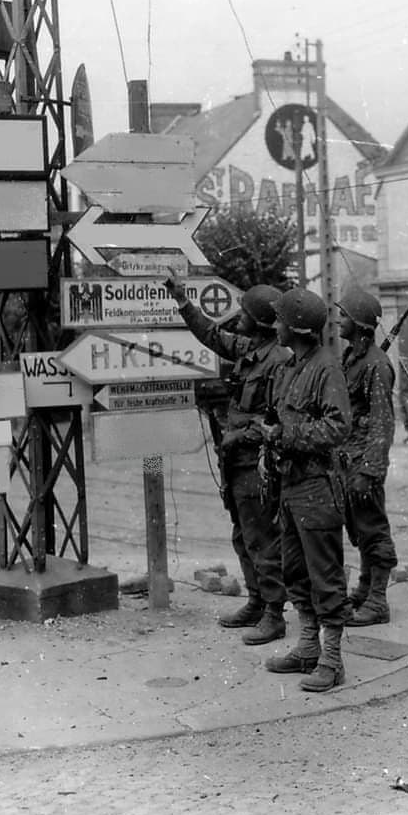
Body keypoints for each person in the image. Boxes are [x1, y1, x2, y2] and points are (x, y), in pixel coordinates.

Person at [164, 274, 290, 645]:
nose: (239, 316)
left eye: (245, 312)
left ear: (261, 321)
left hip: (259, 465)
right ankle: (255, 600)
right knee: (242, 536)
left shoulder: (278, 362)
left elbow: (278, 422)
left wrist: (240, 434)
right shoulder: (251, 350)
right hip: (237, 463)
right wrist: (183, 301)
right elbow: (211, 337)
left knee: (262, 539)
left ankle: (273, 612)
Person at [260, 288, 353, 692]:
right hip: (291, 483)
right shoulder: (291, 366)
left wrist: (286, 435)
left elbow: (338, 427)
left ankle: (332, 662)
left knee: (325, 575)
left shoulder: (325, 368)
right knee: (295, 570)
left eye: (279, 320)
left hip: (317, 486)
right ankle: (308, 648)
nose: (274, 326)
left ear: (296, 328)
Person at [335, 286, 399, 627]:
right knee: (359, 529)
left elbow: (382, 420)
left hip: (364, 462)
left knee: (373, 529)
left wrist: (371, 468)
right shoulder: (352, 358)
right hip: (349, 458)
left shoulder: (376, 365)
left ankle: (378, 600)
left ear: (359, 324)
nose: (338, 320)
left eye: (343, 315)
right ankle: (364, 587)